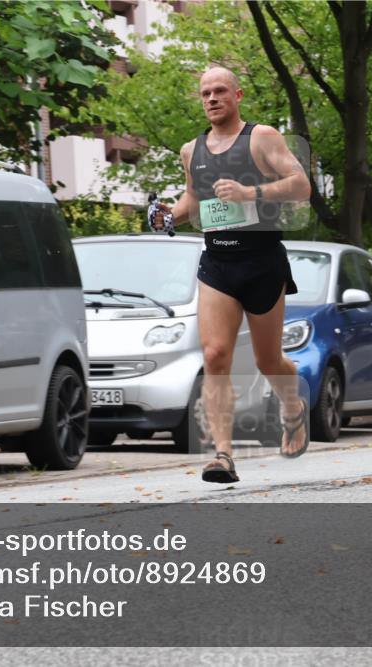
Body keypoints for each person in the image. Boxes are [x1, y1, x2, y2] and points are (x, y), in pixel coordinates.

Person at [148, 66, 312, 483]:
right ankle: (221, 455)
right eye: (205, 93)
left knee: (268, 360)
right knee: (216, 355)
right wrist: (169, 214)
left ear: (237, 95)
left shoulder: (261, 138)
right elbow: (193, 199)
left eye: (220, 91)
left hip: (262, 261)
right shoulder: (191, 150)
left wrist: (250, 193)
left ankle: (293, 409)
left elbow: (300, 184)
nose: (212, 98)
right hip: (218, 263)